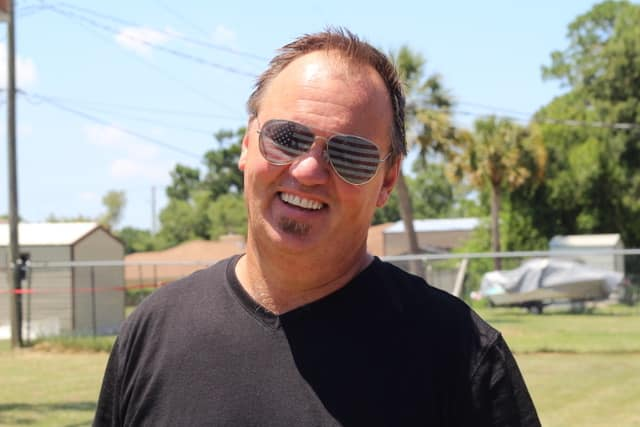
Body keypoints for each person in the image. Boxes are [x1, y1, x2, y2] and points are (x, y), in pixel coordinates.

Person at [94, 28, 541, 426]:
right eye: (287, 138)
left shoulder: (460, 355)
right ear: (248, 144)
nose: (308, 170)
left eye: (350, 154)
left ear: (387, 180)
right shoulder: (154, 331)